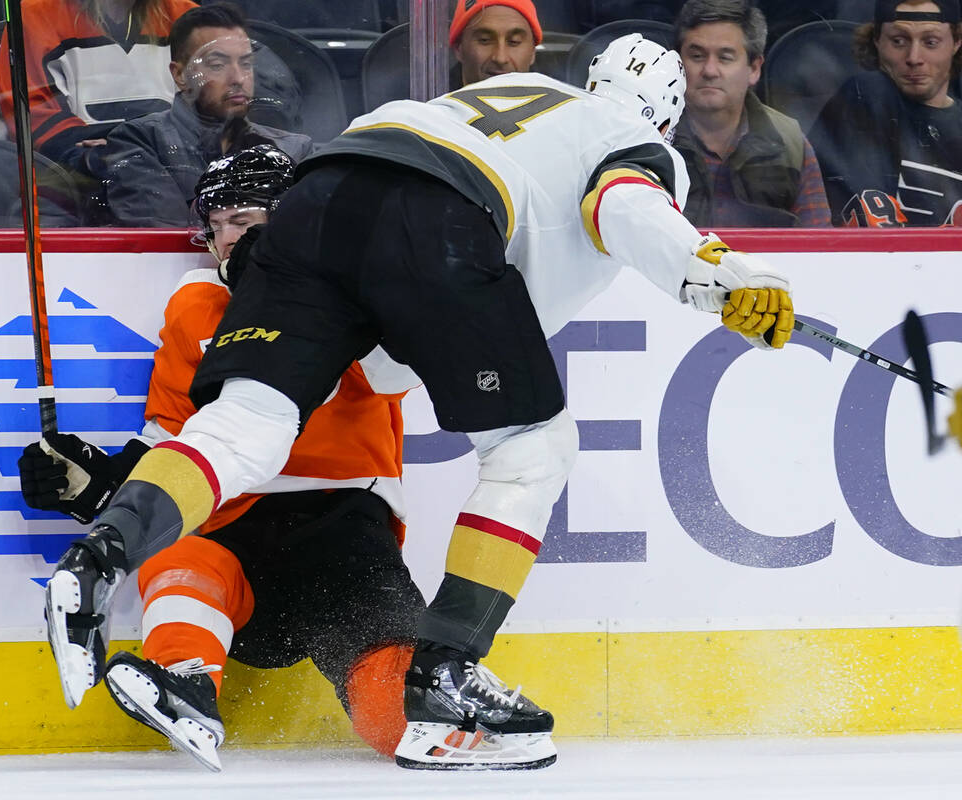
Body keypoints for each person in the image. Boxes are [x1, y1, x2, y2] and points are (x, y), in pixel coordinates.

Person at [45, 33, 796, 770]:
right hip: (434, 215)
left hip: (322, 191)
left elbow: (387, 356)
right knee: (532, 448)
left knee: (246, 422)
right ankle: (449, 666)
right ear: (663, 117)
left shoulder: (504, 95)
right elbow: (624, 205)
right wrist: (719, 275)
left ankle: (98, 560)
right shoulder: (632, 135)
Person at [27, 145, 424, 770]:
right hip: (227, 527)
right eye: (226, 223)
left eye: (257, 220)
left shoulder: (353, 292)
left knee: (397, 698)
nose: (238, 238)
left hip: (339, 529)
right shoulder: (193, 307)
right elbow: (171, 444)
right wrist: (93, 484)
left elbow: (399, 370)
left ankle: (427, 725)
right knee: (177, 556)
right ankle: (185, 683)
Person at [101, 2, 313, 227]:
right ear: (180, 75)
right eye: (217, 64)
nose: (238, 78)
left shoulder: (294, 150)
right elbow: (170, 241)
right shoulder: (139, 142)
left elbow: (305, 236)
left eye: (246, 64)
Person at [669, 0, 831, 227]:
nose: (709, 71)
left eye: (725, 58)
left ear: (754, 69)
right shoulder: (647, 137)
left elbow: (818, 247)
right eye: (697, 56)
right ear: (677, 63)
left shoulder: (789, 144)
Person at [0, 0, 198, 171]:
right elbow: (34, 117)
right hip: (71, 178)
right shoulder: (35, 16)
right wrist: (104, 154)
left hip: (175, 165)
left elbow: (214, 111)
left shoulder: (189, 17)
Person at [809, 0, 962, 226]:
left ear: (956, 43)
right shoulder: (866, 96)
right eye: (898, 41)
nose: (914, 57)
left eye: (931, 42)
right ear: (877, 41)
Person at [450, 0, 541, 87]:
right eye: (485, 40)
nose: (500, 58)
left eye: (514, 41)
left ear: (533, 51)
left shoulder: (553, 99)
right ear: (458, 48)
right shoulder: (439, 101)